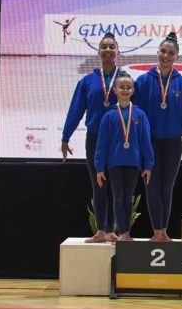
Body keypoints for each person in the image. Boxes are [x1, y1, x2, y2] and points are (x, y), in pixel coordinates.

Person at [132, 32, 182, 241]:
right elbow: (134, 114)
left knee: (167, 187)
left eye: (171, 53)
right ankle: (156, 231)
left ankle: (163, 231)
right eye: (163, 51)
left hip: (173, 144)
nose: (166, 56)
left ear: (177, 56)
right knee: (152, 186)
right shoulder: (143, 82)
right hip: (149, 144)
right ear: (157, 52)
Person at [61, 32, 121, 243]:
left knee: (116, 185)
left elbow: (137, 111)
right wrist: (66, 136)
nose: (107, 50)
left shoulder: (125, 80)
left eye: (111, 47)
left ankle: (113, 230)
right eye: (104, 47)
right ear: (98, 51)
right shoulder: (87, 81)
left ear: (118, 51)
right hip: (95, 139)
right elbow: (75, 110)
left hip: (119, 139)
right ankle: (101, 230)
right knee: (99, 185)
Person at [94, 72, 153, 241]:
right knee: (118, 198)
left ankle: (127, 233)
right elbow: (102, 144)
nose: (125, 90)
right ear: (115, 90)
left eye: (128, 87)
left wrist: (148, 165)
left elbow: (145, 141)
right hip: (115, 164)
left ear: (133, 90)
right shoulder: (109, 116)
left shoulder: (140, 115)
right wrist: (99, 167)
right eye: (122, 87)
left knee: (128, 198)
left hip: (133, 163)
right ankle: (121, 233)